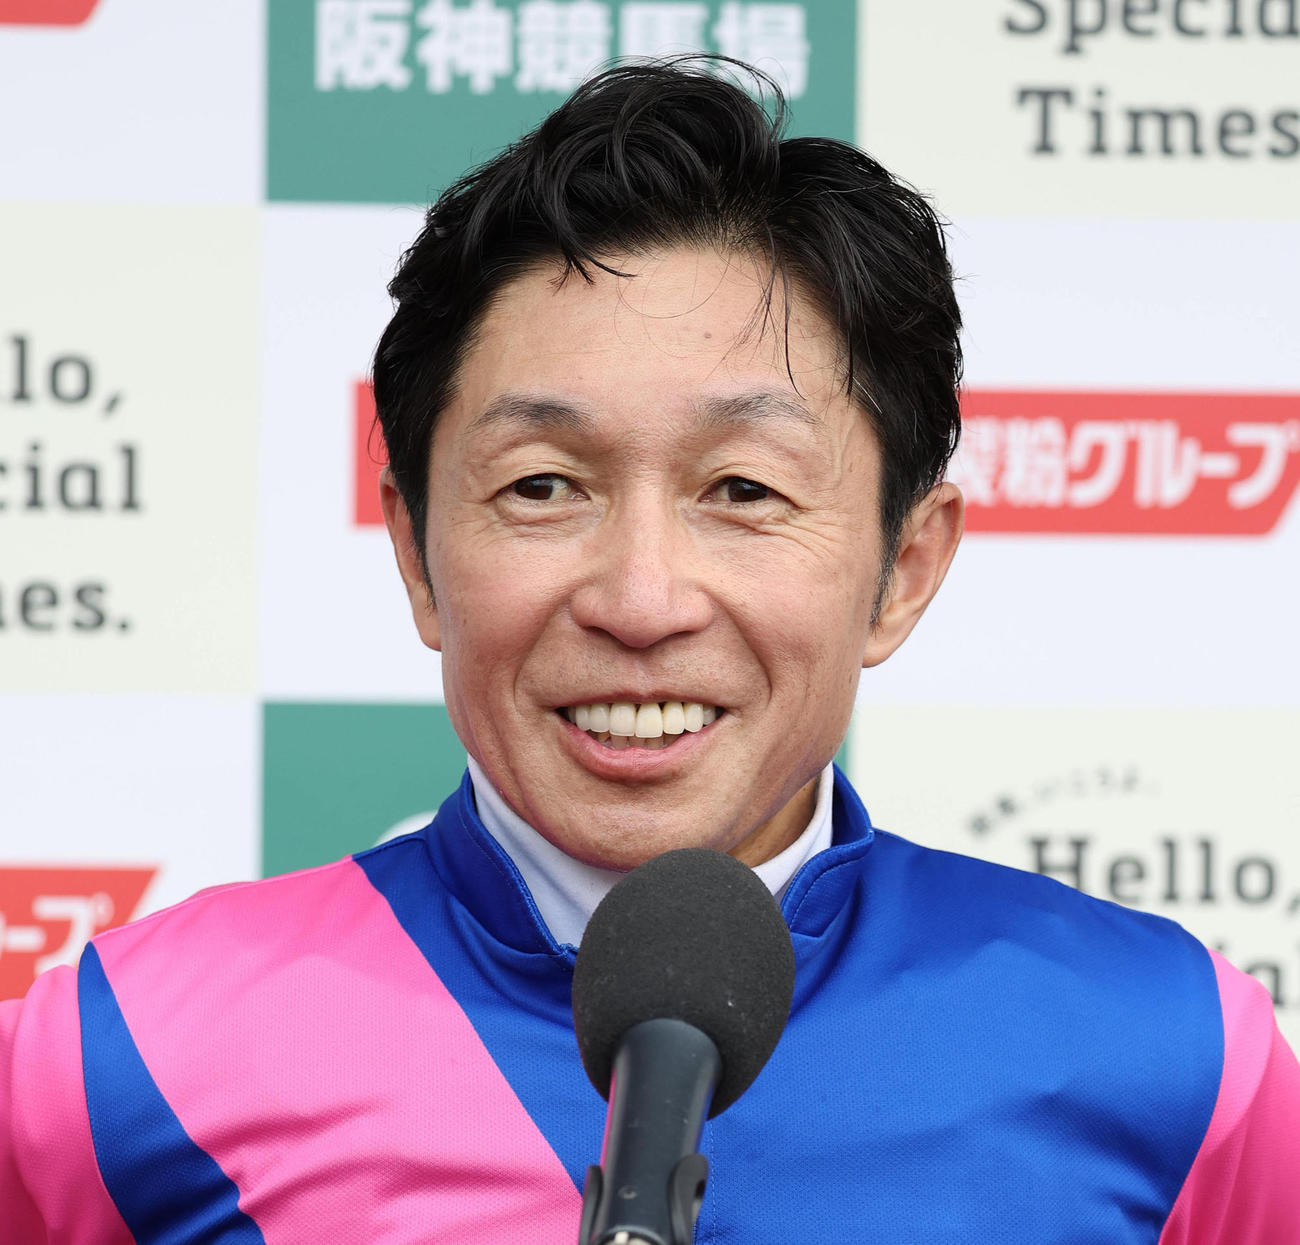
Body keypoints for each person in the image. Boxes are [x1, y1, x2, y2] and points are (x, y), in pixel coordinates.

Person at [3, 59, 1297, 1243]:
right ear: (416, 551)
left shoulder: (1174, 1060)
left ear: (903, 568)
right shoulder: (122, 1062)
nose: (640, 598)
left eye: (743, 489)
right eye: (543, 485)